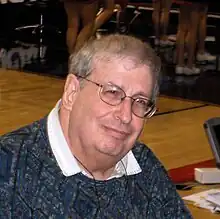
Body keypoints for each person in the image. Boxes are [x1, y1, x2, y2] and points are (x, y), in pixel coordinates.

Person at [0, 34, 192, 218]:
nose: (125, 116)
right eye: (112, 92)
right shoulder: (8, 169)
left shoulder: (144, 165)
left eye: (140, 101)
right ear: (72, 92)